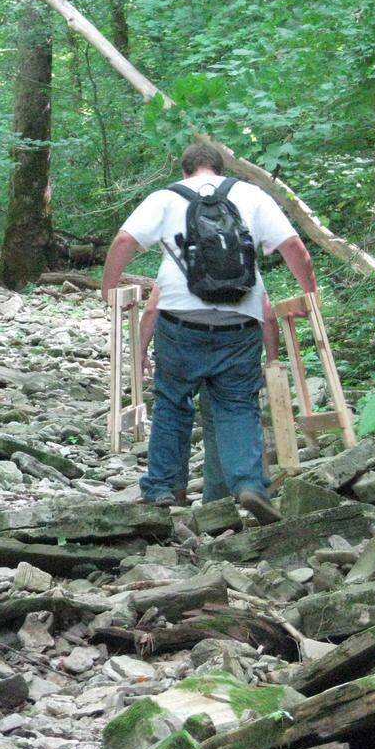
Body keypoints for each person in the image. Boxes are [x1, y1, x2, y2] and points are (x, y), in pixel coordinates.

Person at [102, 141, 317, 524]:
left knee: (172, 402)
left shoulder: (166, 199)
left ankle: (164, 489)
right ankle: (249, 485)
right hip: (240, 324)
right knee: (237, 405)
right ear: (220, 169)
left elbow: (123, 242)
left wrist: (109, 288)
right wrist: (310, 296)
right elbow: (295, 248)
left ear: (185, 171)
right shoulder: (252, 195)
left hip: (181, 323)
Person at [139, 284, 283, 506]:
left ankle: (166, 489)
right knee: (231, 413)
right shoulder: (241, 261)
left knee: (172, 408)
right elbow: (268, 315)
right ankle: (230, 493)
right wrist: (272, 359)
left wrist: (140, 351)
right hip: (236, 341)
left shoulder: (180, 258)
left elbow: (151, 309)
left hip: (180, 339)